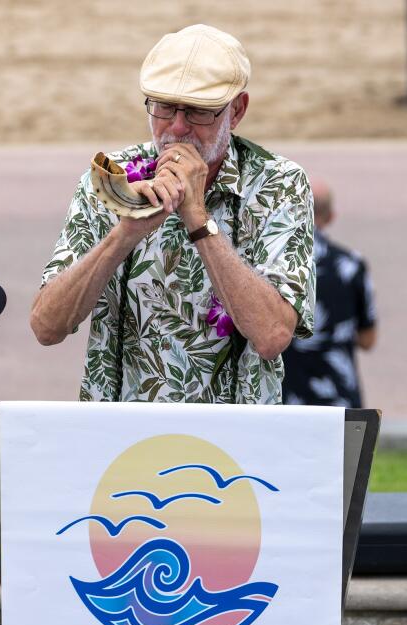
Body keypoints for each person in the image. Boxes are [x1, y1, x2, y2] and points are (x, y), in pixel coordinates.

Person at [31, 24, 315, 404]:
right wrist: (126, 233)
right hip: (121, 438)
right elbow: (47, 326)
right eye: (164, 106)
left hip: (235, 444)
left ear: (237, 110)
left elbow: (272, 336)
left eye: (198, 111)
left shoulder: (279, 183)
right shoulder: (109, 179)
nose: (177, 127)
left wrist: (198, 219)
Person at [281, 179, 378, 409]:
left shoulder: (272, 265)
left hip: (286, 395)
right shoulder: (351, 265)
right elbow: (368, 339)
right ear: (331, 216)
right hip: (338, 394)